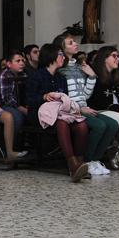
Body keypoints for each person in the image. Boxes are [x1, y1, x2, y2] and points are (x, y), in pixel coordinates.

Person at [26, 44, 89, 182]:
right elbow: (29, 100)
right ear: (51, 56)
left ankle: (79, 161)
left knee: (82, 125)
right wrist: (43, 97)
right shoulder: (37, 76)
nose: (63, 57)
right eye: (60, 54)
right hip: (40, 113)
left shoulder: (61, 77)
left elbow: (65, 98)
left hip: (61, 112)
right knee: (62, 123)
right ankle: (72, 166)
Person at [58, 35, 119, 173]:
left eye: (74, 41)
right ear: (62, 48)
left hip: (83, 107)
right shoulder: (60, 69)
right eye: (71, 42)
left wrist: (92, 77)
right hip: (70, 110)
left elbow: (85, 95)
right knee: (99, 125)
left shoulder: (81, 67)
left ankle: (95, 160)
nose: (75, 44)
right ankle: (87, 160)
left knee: (113, 124)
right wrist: (80, 108)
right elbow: (63, 97)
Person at [0, 50, 28, 137]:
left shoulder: (24, 74)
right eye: (18, 61)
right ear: (9, 64)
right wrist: (22, 109)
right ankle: (11, 144)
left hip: (20, 104)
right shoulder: (4, 75)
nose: (22, 63)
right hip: (4, 105)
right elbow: (6, 98)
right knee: (17, 116)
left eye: (23, 60)